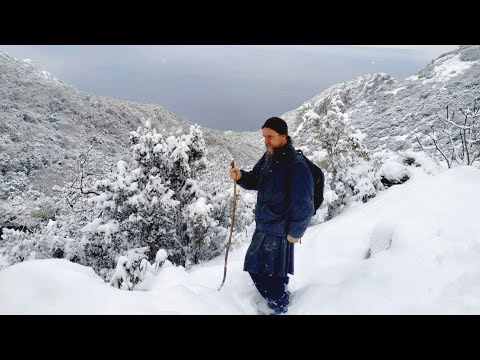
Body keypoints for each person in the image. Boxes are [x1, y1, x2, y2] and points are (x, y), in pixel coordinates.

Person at [229, 116, 314, 314]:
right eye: (264, 137)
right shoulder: (270, 155)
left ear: (283, 136)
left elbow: (304, 204)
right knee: (275, 273)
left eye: (270, 136)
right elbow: (256, 179)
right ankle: (281, 302)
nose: (266, 141)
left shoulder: (296, 164)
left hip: (279, 230)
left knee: (256, 268)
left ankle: (279, 306)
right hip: (266, 224)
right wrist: (241, 176)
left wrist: (295, 232)